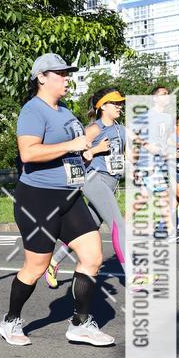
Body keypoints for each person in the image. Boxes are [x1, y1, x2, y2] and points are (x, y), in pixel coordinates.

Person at [0, 53, 115, 348]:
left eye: (67, 73)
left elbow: (73, 152)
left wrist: (86, 152)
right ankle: (11, 319)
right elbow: (29, 153)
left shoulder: (65, 111)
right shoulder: (33, 111)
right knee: (36, 268)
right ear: (42, 77)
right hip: (38, 199)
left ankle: (80, 323)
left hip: (70, 196)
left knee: (93, 257)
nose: (66, 79)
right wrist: (71, 145)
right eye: (60, 74)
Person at [45, 88, 124, 287]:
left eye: (121, 103)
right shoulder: (93, 129)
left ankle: (53, 262)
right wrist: (95, 150)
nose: (119, 106)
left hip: (111, 183)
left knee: (86, 228)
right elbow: (74, 155)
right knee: (118, 224)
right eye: (115, 103)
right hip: (93, 180)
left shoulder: (120, 129)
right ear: (103, 106)